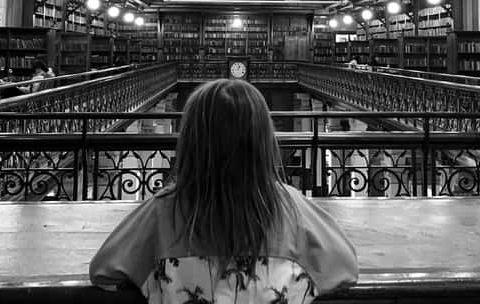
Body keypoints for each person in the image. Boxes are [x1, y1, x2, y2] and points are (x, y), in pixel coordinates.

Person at [90, 79, 358, 303]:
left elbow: (104, 272)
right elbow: (345, 269)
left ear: (192, 139)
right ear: (263, 138)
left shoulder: (163, 209)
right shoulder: (291, 206)